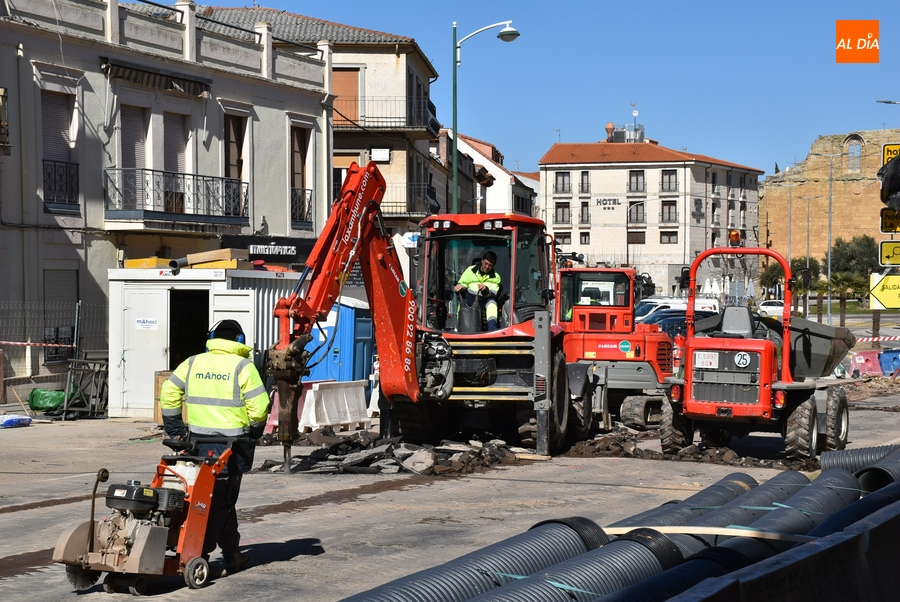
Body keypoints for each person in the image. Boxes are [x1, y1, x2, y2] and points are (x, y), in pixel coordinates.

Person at [160, 319, 270, 575]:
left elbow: (168, 392)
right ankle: (199, 553)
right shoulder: (244, 366)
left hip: (197, 444)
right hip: (232, 447)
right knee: (219, 502)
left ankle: (232, 554)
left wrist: (176, 430)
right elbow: (260, 407)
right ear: (240, 341)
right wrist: (254, 432)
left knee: (218, 499)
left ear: (212, 338)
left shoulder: (193, 362)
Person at [455, 251, 501, 331]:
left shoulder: (496, 277)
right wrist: (460, 287)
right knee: (462, 305)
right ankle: (459, 328)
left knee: (492, 305)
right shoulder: (470, 270)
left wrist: (485, 290)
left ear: (494, 266)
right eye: (486, 263)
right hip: (470, 299)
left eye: (490, 265)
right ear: (482, 260)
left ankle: (492, 330)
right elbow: (463, 284)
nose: (487, 267)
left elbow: (493, 294)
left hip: (486, 300)